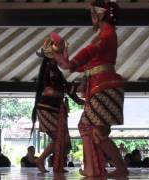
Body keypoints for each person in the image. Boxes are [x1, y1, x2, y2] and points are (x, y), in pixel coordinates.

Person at [54, 0, 128, 177]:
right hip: (100, 86)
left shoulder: (107, 34)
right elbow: (90, 61)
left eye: (93, 14)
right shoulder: (104, 34)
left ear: (99, 15)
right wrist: (72, 64)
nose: (92, 18)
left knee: (94, 130)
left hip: (104, 87)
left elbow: (92, 51)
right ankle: (93, 168)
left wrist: (72, 63)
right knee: (90, 128)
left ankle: (113, 168)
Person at [32, 32, 84, 173]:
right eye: (60, 52)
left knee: (65, 142)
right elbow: (55, 89)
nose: (62, 55)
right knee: (58, 139)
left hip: (54, 108)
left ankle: (58, 165)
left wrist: (77, 99)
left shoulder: (54, 69)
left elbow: (64, 87)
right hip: (48, 108)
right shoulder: (50, 68)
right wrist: (75, 91)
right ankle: (41, 159)